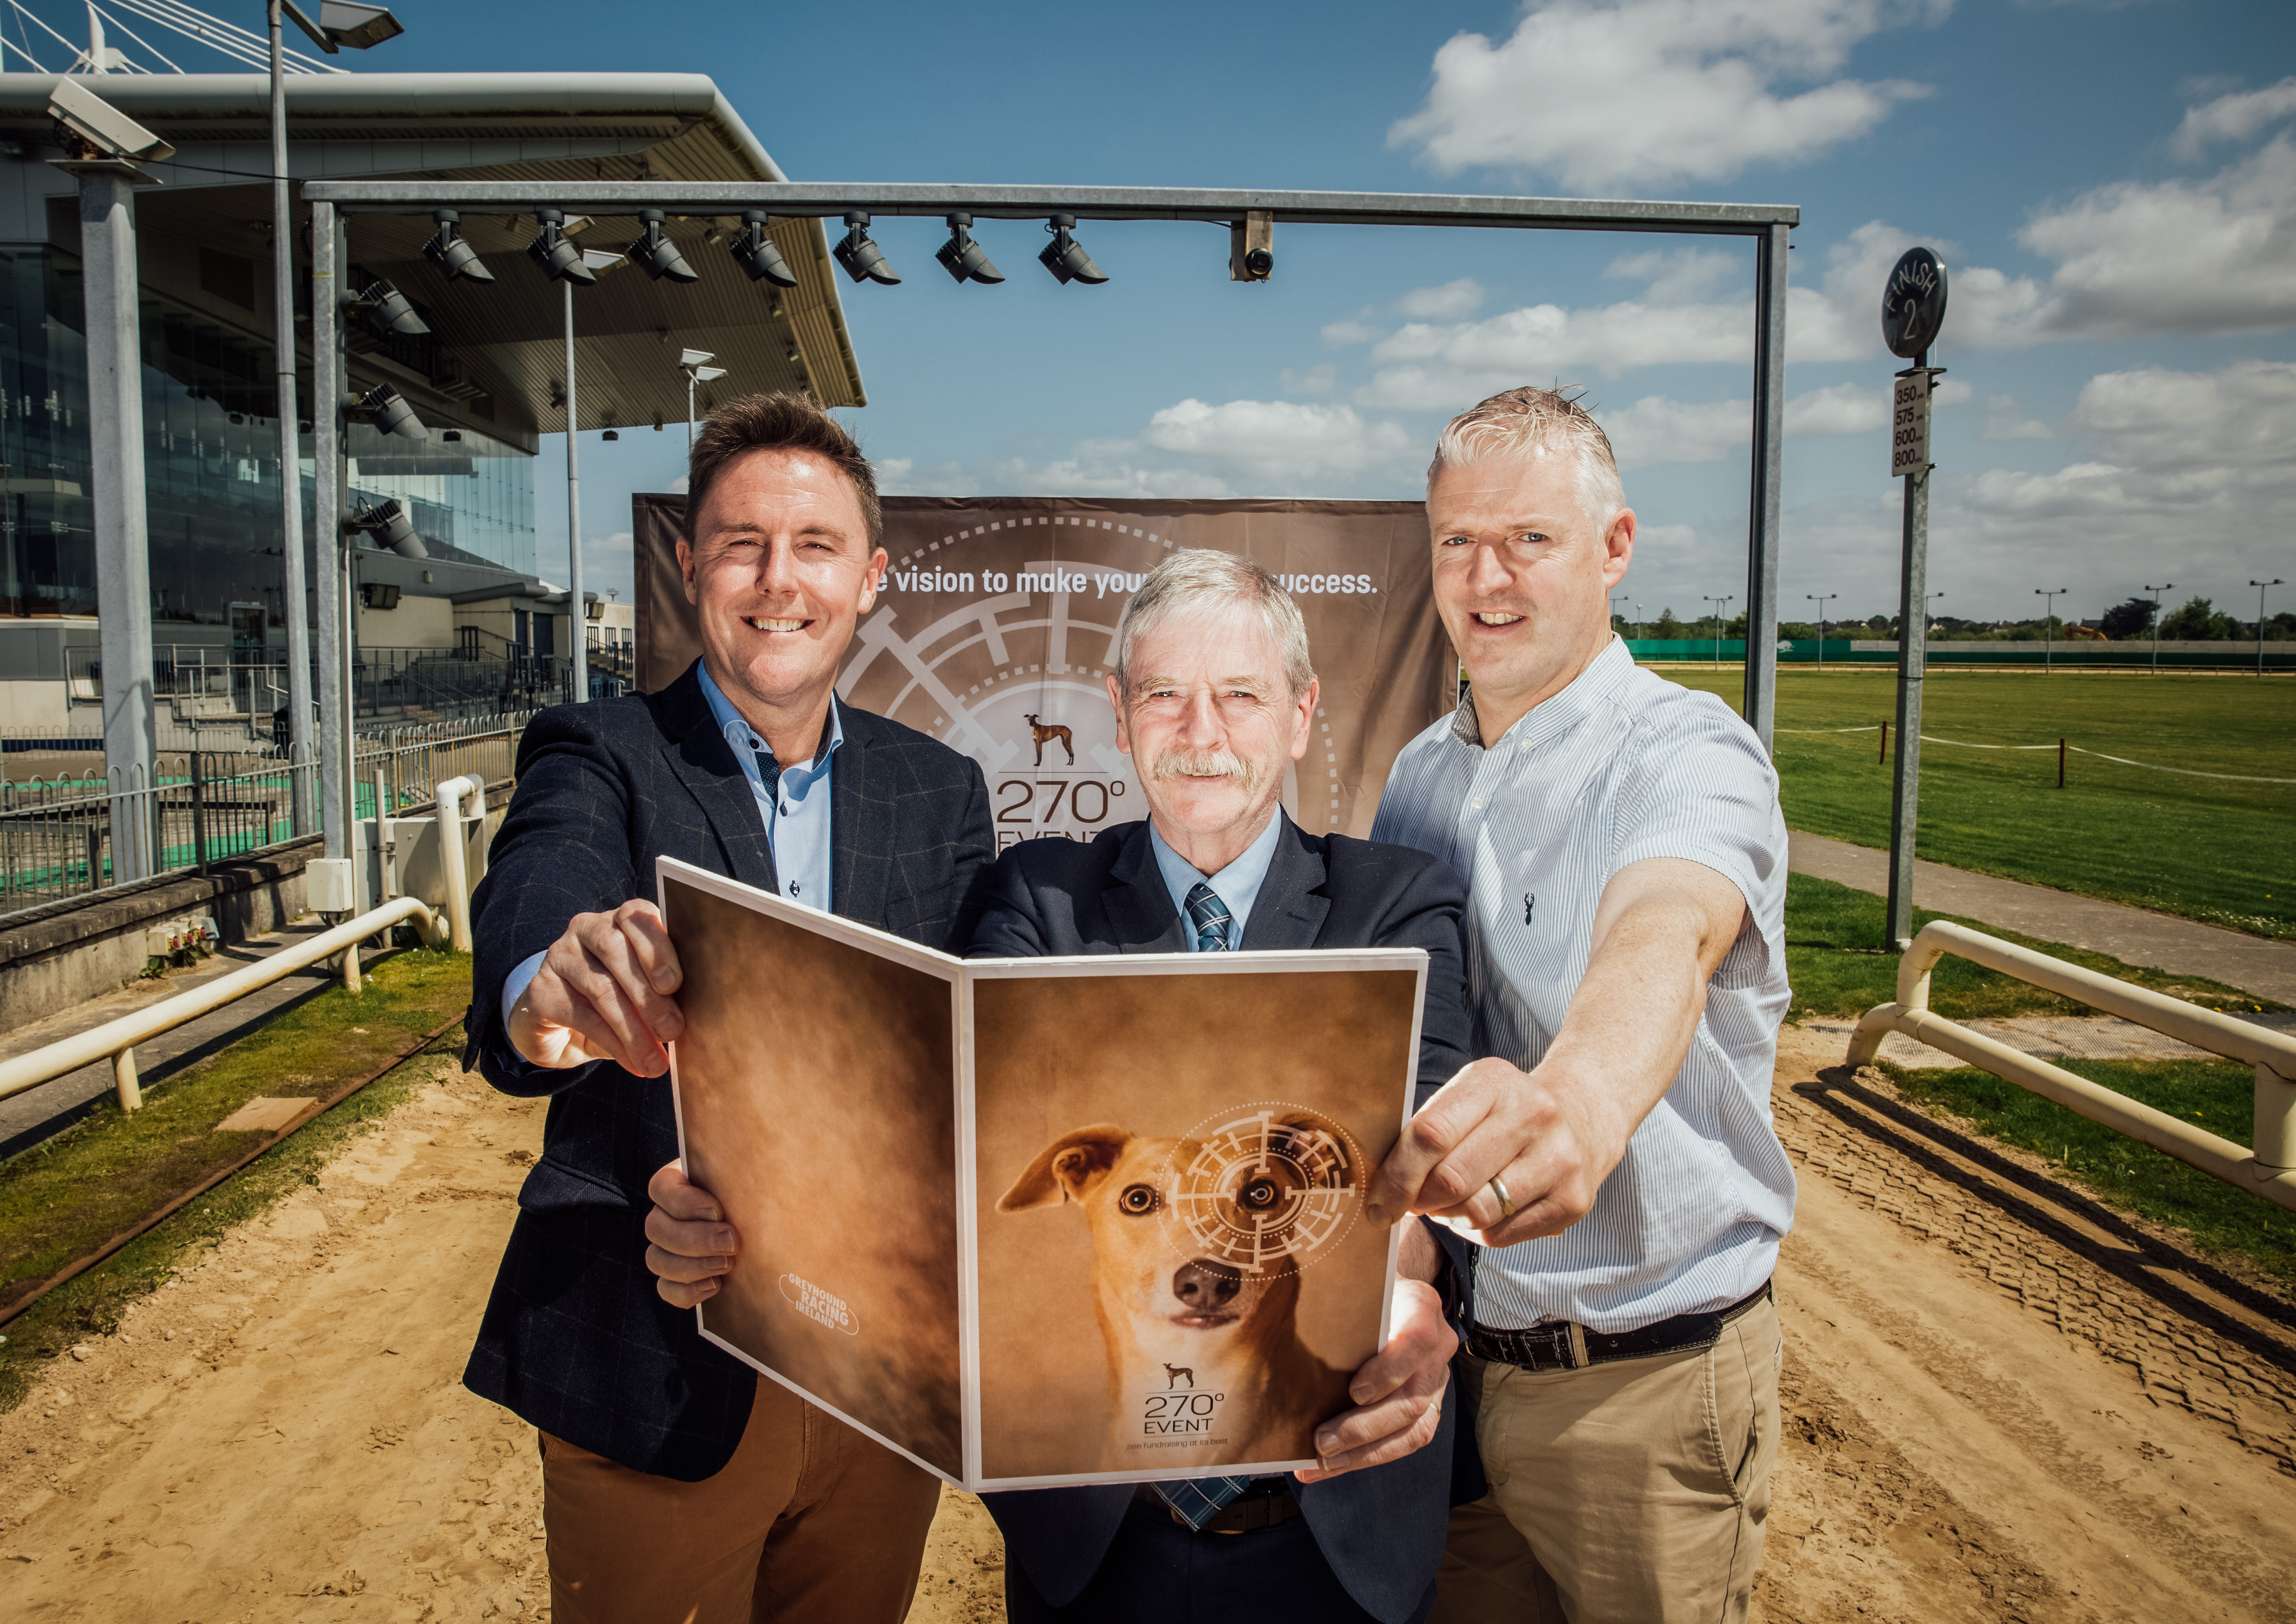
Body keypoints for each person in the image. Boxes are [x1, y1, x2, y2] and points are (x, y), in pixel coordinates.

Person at [459, 393, 994, 1624]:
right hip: (656, 1374)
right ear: (691, 564)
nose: (778, 578)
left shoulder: (942, 789)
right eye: (743, 542)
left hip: (876, 1392)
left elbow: (966, 1056)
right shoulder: (598, 750)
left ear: (870, 579)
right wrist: (555, 988)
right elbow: (542, 893)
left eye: (816, 546)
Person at [967, 549, 1477, 1624]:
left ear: (1300, 716)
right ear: (1118, 712)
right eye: (1165, 695)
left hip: (1334, 1527)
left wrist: (1401, 1278)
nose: (1201, 733)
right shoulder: (1037, 903)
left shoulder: (1398, 908)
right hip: (1100, 1537)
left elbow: (1430, 1158)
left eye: (1240, 696)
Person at [1367, 388, 1794, 1624]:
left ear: (1614, 548)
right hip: (1458, 1376)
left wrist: (1582, 1103)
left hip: (1643, 1391)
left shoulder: (1689, 753)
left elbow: (1665, 928)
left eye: (1529, 541)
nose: (1484, 577)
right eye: (1457, 542)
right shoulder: (1419, 776)